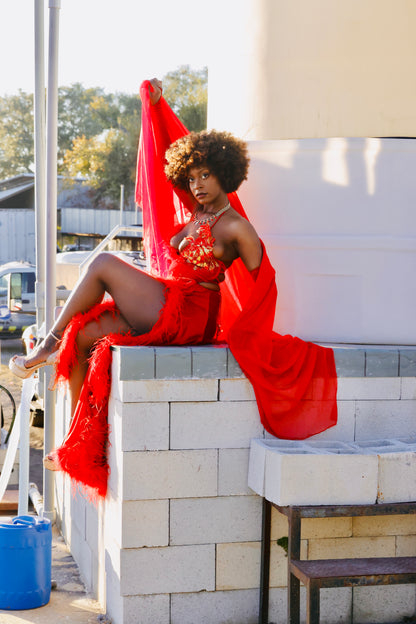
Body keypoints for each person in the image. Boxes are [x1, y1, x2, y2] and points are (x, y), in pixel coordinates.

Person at [9, 78, 337, 498]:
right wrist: (156, 107)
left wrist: (247, 331)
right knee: (86, 333)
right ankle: (77, 446)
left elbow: (262, 281)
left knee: (105, 263)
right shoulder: (198, 213)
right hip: (170, 297)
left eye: (207, 175)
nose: (198, 184)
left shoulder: (237, 227)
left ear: (226, 175)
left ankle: (43, 348)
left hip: (191, 313)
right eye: (193, 176)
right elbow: (168, 150)